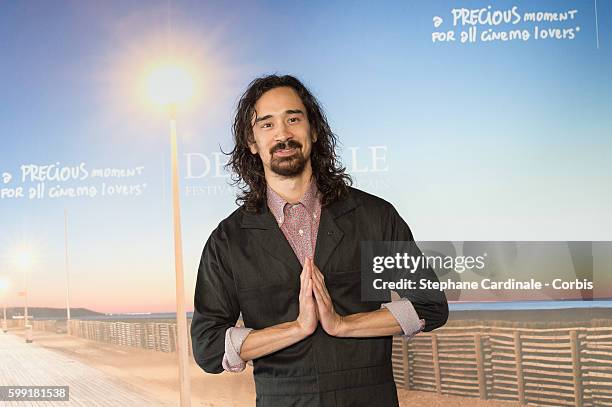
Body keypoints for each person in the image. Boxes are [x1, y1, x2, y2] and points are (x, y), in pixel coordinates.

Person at [191, 74, 448, 406]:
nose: (283, 134)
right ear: (252, 143)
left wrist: (343, 324)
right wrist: (297, 328)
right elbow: (208, 346)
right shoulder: (228, 241)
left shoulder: (374, 217)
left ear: (313, 130)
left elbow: (430, 306)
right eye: (267, 125)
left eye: (293, 119)